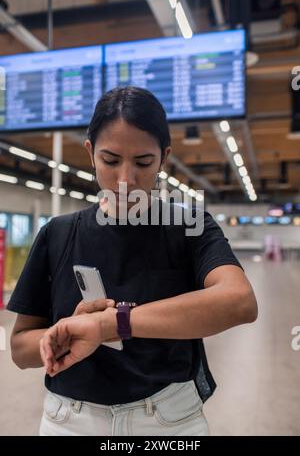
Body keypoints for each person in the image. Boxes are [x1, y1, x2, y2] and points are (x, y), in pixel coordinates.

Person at [7, 86, 258, 436]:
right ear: (91, 152)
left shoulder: (188, 226)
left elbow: (239, 301)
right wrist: (60, 335)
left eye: (143, 162)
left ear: (164, 158)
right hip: (71, 421)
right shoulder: (58, 234)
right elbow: (20, 348)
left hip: (167, 421)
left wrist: (111, 325)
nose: (126, 180)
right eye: (110, 161)